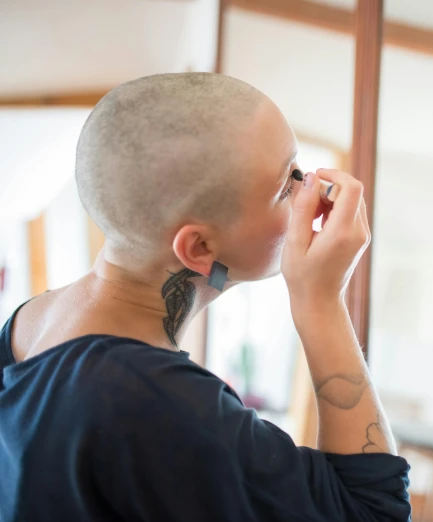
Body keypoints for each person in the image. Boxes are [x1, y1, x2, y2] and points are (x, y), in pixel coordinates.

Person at [0, 73, 411, 521]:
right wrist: (321, 302)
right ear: (198, 248)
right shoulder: (157, 402)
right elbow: (373, 512)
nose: (306, 191)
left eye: (300, 168)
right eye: (285, 184)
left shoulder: (28, 322)